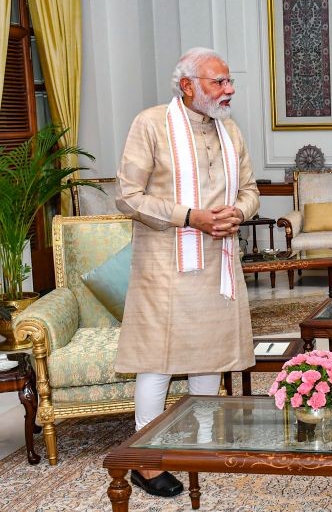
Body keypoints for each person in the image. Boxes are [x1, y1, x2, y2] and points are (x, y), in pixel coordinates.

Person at [115, 47, 260, 497]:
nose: (229, 89)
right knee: (157, 358)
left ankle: (201, 441)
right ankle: (144, 458)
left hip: (218, 258)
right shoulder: (150, 124)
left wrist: (238, 211)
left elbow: (252, 190)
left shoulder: (229, 129)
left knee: (210, 352)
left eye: (228, 81)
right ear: (187, 86)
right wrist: (189, 216)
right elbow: (127, 196)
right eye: (219, 82)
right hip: (166, 261)